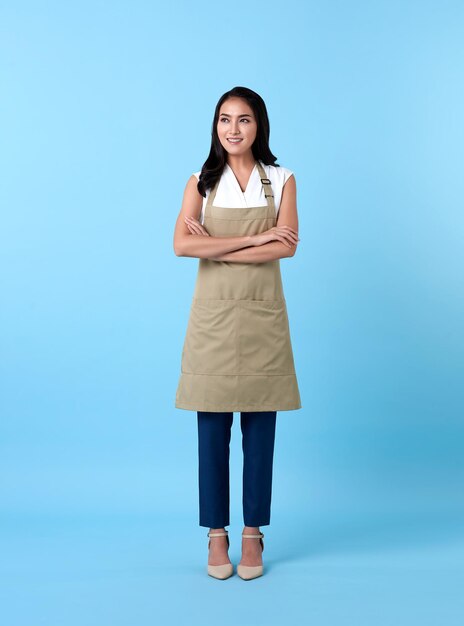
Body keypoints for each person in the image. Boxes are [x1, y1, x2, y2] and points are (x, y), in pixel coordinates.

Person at [173, 86, 302, 580]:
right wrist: (254, 237)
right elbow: (182, 245)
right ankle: (215, 536)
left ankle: (252, 535)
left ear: (258, 125)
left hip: (262, 319)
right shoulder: (201, 181)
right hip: (212, 320)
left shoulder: (282, 179)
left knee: (260, 434)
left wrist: (218, 247)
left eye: (243, 120)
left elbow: (286, 247)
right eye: (224, 120)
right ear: (216, 126)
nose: (232, 130)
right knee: (211, 434)